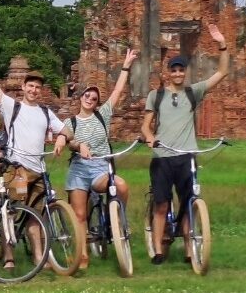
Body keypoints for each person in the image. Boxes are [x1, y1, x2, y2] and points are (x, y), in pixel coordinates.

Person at [0, 35, 62, 266]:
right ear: (23, 87)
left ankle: (40, 257)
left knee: (36, 216)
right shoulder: (12, 107)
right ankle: (8, 257)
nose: (34, 90)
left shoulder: (46, 112)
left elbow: (65, 130)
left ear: (41, 91)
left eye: (38, 87)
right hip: (18, 169)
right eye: (30, 86)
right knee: (10, 212)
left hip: (39, 171)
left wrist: (61, 139)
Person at [140, 23, 230, 264]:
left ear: (185, 73)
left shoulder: (194, 92)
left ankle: (190, 250)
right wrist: (149, 137)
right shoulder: (156, 95)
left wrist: (221, 43)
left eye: (181, 70)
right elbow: (145, 125)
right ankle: (158, 250)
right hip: (162, 157)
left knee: (189, 202)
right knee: (161, 204)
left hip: (187, 155)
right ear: (168, 73)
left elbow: (221, 73)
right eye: (174, 70)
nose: (178, 74)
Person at [53, 48, 138, 270]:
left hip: (100, 167)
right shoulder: (71, 122)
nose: (90, 99)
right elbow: (65, 136)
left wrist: (126, 66)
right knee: (80, 215)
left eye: (94, 97)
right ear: (80, 98)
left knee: (120, 185)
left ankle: (118, 220)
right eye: (87, 96)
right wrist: (70, 144)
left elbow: (118, 90)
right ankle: (82, 256)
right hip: (79, 169)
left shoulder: (103, 115)